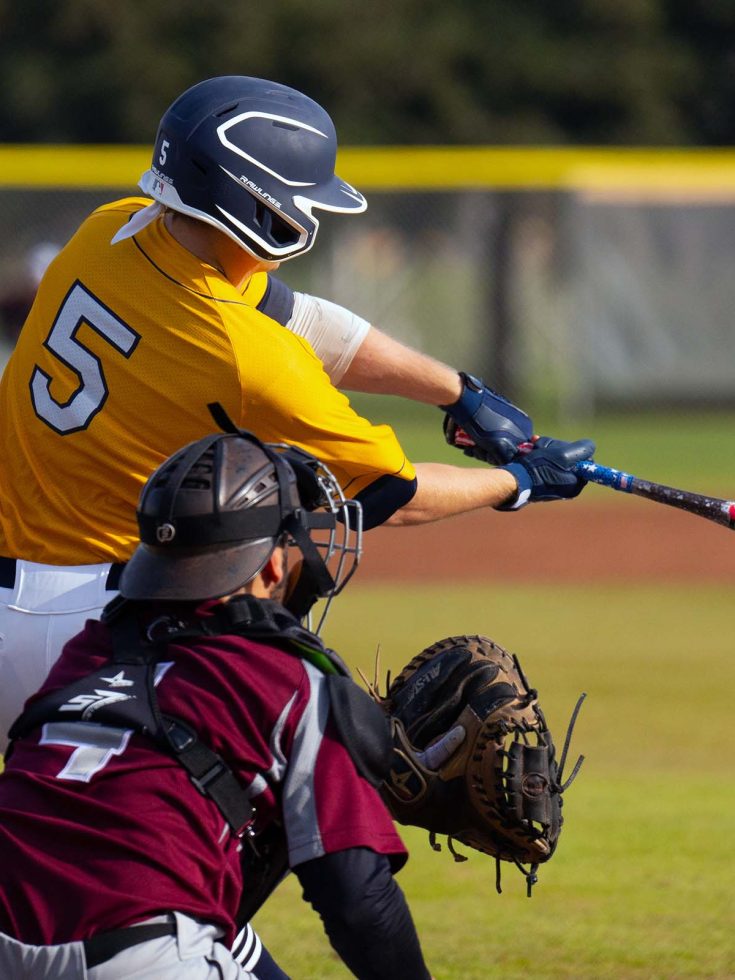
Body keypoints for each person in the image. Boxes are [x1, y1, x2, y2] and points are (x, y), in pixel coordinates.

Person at [0, 74, 595, 749]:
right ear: (251, 203)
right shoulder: (249, 358)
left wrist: (456, 391)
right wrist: (521, 481)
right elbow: (395, 493)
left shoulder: (110, 231)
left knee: (58, 837)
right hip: (108, 633)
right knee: (273, 792)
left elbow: (299, 315)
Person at [0, 430, 434, 979]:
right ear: (272, 565)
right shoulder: (288, 680)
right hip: (137, 956)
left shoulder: (87, 652)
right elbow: (358, 901)